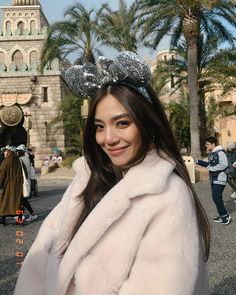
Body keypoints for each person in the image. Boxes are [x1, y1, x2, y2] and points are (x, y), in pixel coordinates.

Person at [14, 51, 210, 295]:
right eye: (99, 126)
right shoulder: (85, 181)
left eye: (122, 123)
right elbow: (40, 257)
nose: (108, 139)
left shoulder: (167, 196)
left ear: (147, 124)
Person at [196, 136, 231, 225]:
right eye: (206, 144)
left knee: (216, 197)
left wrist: (212, 168)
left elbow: (224, 164)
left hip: (220, 178)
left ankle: (225, 216)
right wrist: (198, 161)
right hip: (214, 178)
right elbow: (210, 164)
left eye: (207, 144)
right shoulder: (213, 153)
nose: (206, 146)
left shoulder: (220, 153)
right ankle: (222, 215)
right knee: (217, 197)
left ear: (213, 144)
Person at [0, 145, 23, 226]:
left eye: (6, 152)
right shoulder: (18, 161)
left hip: (8, 184)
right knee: (18, 202)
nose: (4, 153)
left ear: (8, 152)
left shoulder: (6, 162)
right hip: (18, 184)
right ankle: (19, 219)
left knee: (5, 202)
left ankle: (2, 219)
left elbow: (2, 175)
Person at [16, 145, 38, 222]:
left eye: (17, 151)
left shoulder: (20, 159)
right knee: (23, 200)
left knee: (22, 200)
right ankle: (28, 215)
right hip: (25, 181)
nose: (16, 153)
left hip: (22, 182)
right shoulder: (27, 158)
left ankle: (20, 217)